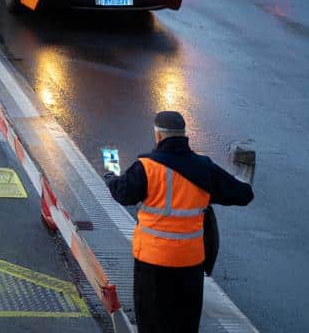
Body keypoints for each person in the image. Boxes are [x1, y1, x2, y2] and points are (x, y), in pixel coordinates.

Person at [105, 111, 254, 333]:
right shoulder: (204, 168)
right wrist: (247, 169)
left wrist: (110, 175)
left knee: (152, 324)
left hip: (152, 264)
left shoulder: (146, 167)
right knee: (184, 325)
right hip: (190, 264)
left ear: (158, 136)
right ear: (184, 135)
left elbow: (122, 193)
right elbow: (243, 194)